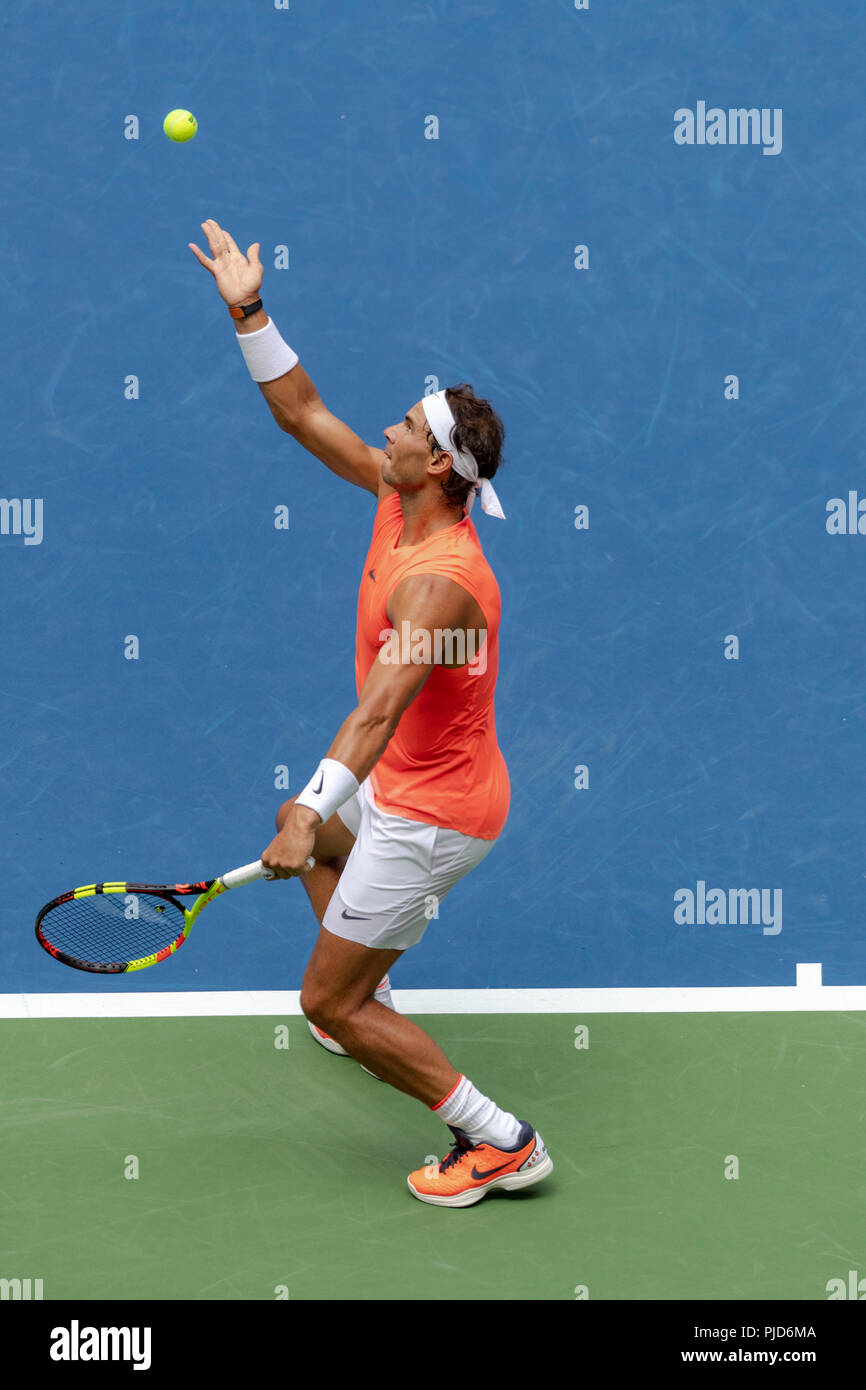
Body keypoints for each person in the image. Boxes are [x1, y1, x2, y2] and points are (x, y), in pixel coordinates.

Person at [189, 219, 553, 1207]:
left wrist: (313, 803)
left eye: (401, 427)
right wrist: (246, 307)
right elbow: (303, 413)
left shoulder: (441, 584)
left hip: (437, 816)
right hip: (407, 786)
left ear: (435, 465)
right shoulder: (403, 499)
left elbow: (379, 709)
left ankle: (499, 1140)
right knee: (311, 839)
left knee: (322, 999)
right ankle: (365, 986)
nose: (385, 432)